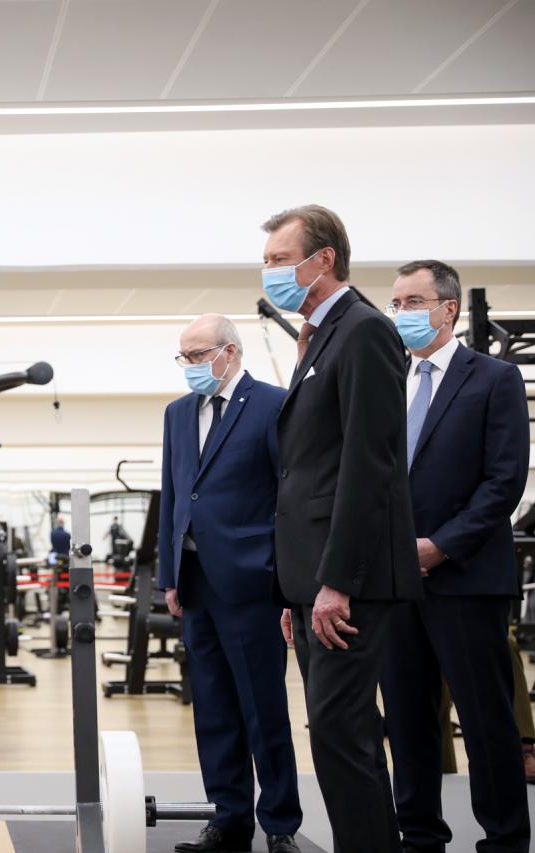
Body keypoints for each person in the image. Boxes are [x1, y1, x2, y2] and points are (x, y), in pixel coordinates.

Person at [263, 205, 419, 853]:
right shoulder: (319, 338)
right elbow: (308, 469)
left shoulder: (363, 332)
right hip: (313, 580)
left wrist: (334, 582)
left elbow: (368, 465)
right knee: (335, 732)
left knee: (340, 729)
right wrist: (296, 589)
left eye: (279, 259)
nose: (271, 272)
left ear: (322, 259)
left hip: (346, 580)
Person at [379, 260, 530, 853]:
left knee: (486, 719)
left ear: (448, 308)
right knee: (409, 721)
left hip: (466, 579)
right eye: (396, 303)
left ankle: (504, 839)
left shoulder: (493, 378)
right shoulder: (388, 382)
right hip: (395, 583)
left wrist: (439, 547)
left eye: (413, 302)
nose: (402, 314)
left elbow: (504, 482)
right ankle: (418, 836)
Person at [158, 314, 301, 853]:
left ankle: (281, 823)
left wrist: (285, 577)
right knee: (214, 708)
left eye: (199, 355)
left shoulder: (272, 404)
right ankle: (229, 816)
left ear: (230, 352)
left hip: (251, 582)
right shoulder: (177, 414)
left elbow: (288, 497)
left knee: (262, 707)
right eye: (184, 357)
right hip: (194, 583)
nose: (191, 366)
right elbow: (173, 496)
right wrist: (169, 574)